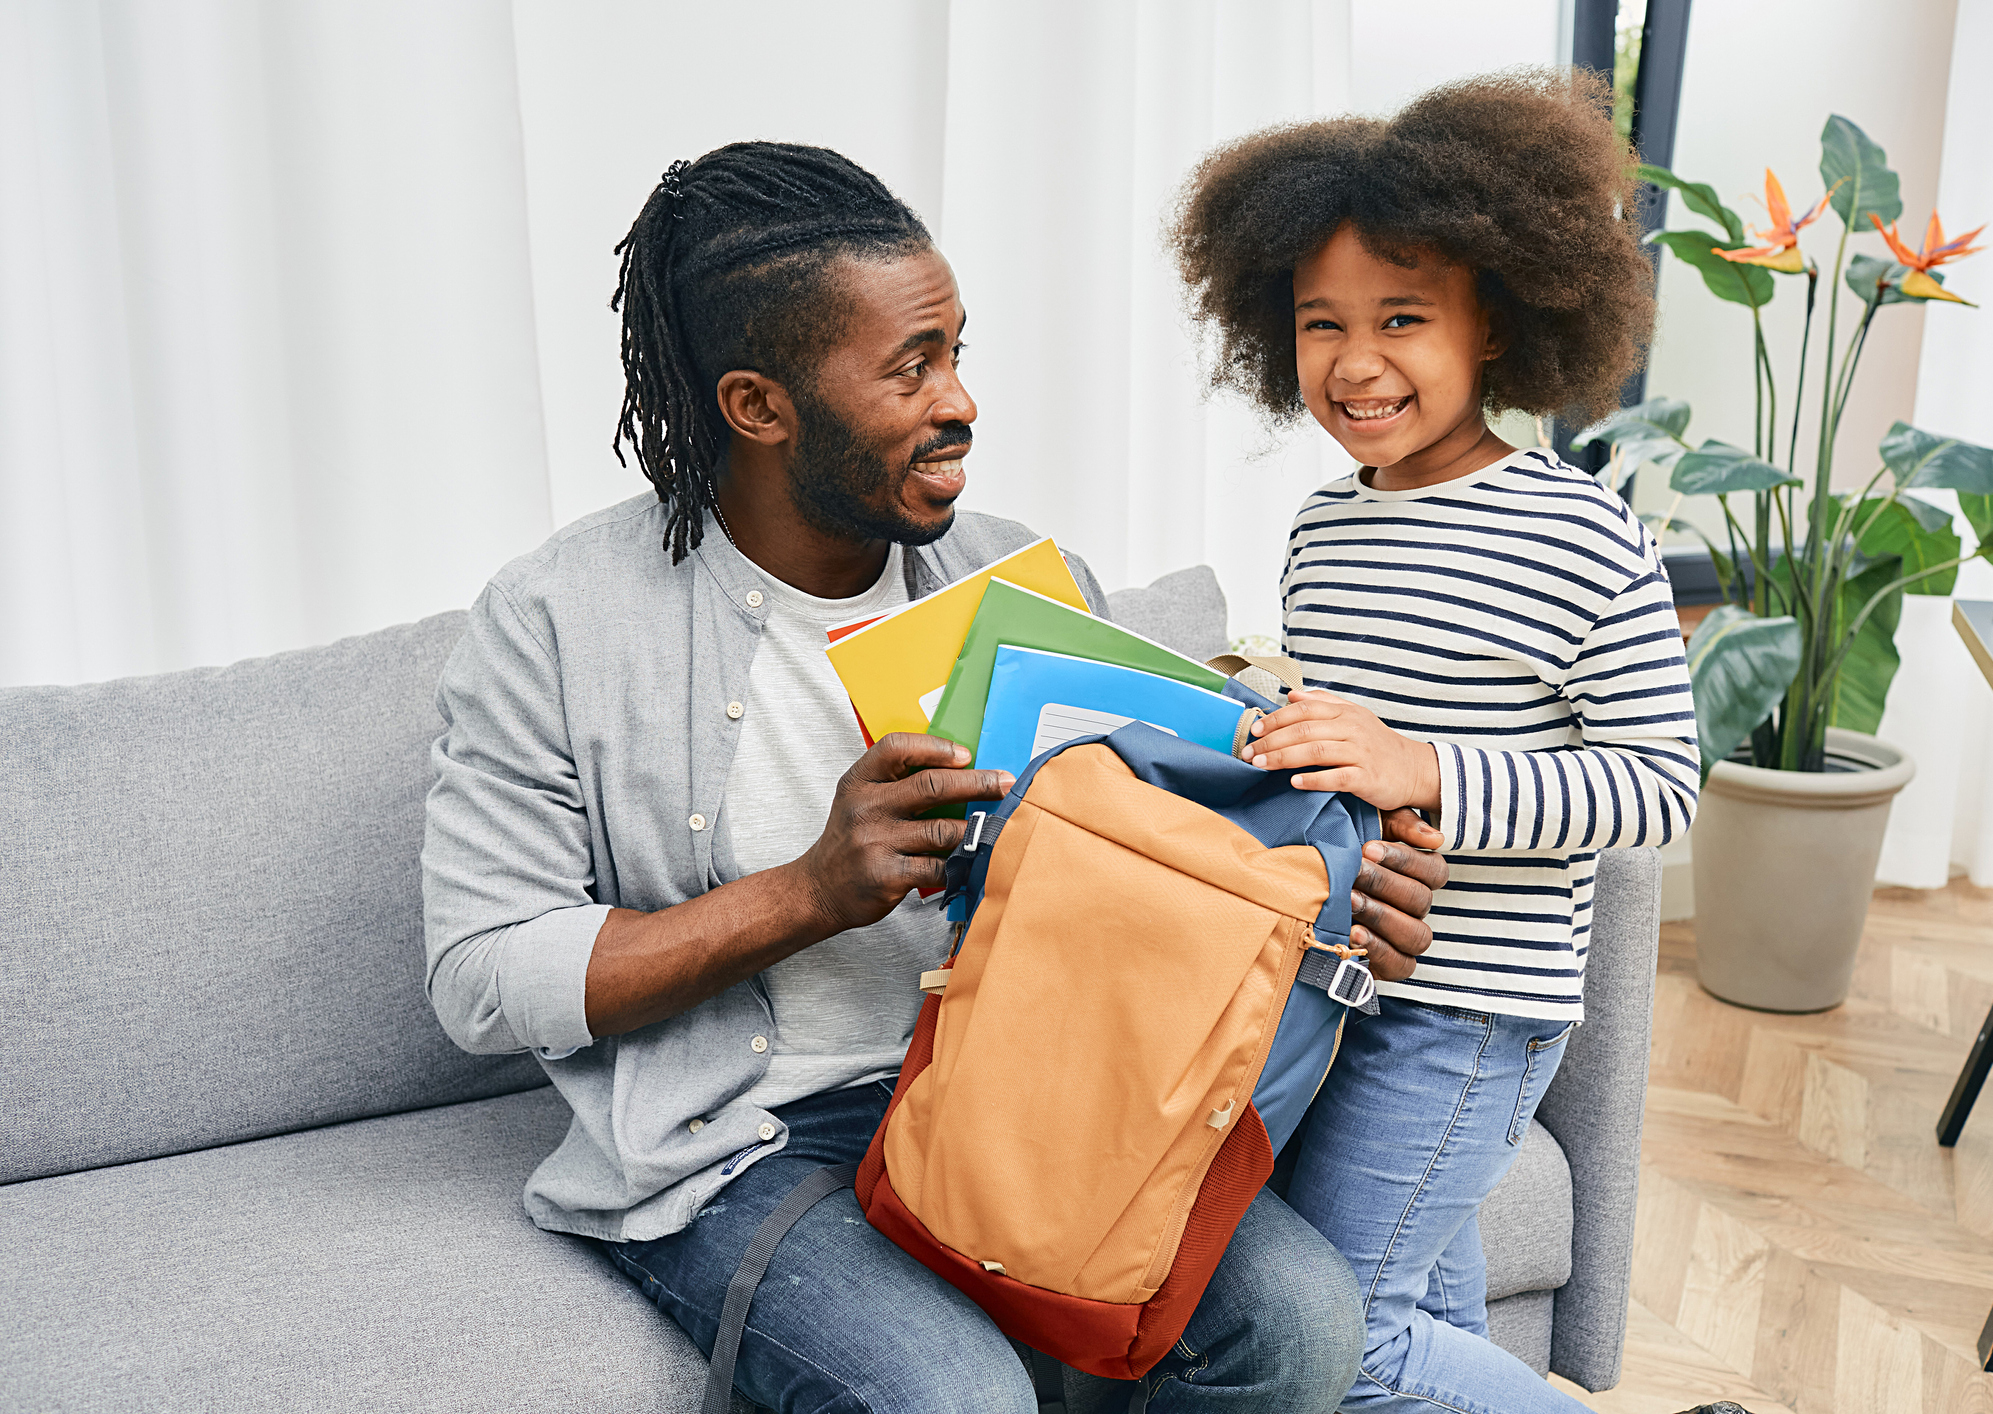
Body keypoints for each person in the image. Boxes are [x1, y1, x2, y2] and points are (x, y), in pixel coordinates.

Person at [421, 141, 1450, 1414]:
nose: (960, 401)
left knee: (1298, 1323)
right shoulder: (558, 622)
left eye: (958, 351)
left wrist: (1337, 901)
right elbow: (480, 974)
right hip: (742, 1142)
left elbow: (1165, 885)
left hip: (1023, 1088)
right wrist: (811, 890)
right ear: (759, 404)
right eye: (912, 368)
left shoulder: (1014, 582)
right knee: (955, 1400)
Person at [1170, 73, 1740, 1414]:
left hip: (1471, 1010)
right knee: (1430, 1308)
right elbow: (1340, 747)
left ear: (1496, 320)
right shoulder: (1323, 526)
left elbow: (1662, 788)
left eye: (1402, 320)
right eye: (1322, 324)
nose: (1356, 364)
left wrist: (1422, 766)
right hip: (1333, 987)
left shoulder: (1580, 533)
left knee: (1353, 1349)